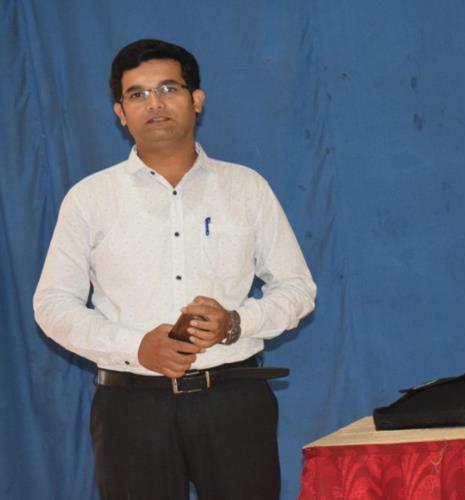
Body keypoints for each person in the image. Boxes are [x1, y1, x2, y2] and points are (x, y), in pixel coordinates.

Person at [33, 39, 316, 500]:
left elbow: (297, 288)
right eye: (137, 94)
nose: (155, 104)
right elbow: (52, 304)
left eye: (168, 88)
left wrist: (236, 323)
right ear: (120, 113)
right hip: (130, 409)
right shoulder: (89, 199)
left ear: (196, 99)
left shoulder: (246, 188)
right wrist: (136, 347)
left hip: (233, 403)